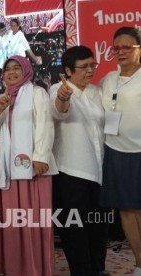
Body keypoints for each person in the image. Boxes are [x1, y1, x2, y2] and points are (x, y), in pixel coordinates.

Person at [0, 55, 57, 276]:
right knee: (12, 221)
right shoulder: (4, 96)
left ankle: (35, 268)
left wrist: (41, 157)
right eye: (7, 69)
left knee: (33, 221)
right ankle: (14, 267)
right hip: (8, 170)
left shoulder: (37, 93)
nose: (11, 73)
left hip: (33, 169)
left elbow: (45, 125)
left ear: (27, 70)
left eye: (17, 68)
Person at [50, 45, 108, 276]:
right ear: (68, 70)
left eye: (92, 65)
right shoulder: (58, 89)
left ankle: (98, 268)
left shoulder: (97, 91)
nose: (90, 71)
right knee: (74, 228)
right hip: (70, 172)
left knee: (99, 225)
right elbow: (59, 110)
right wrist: (63, 99)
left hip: (99, 170)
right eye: (83, 67)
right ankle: (81, 271)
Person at [99, 26, 141, 276]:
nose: (121, 52)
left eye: (127, 47)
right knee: (126, 208)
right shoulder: (109, 79)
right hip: (115, 150)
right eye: (117, 48)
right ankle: (139, 263)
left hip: (140, 151)